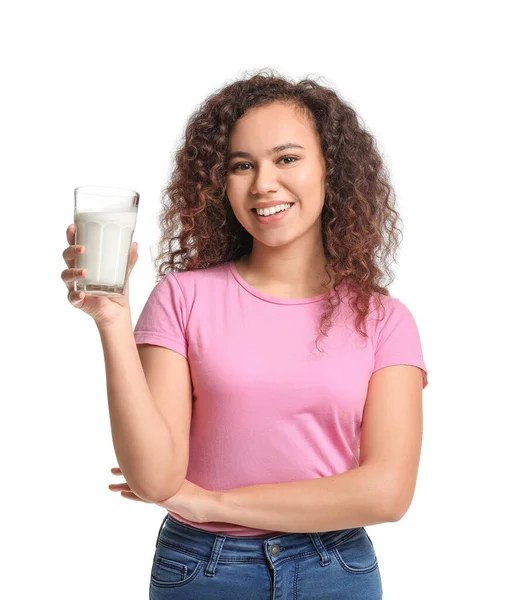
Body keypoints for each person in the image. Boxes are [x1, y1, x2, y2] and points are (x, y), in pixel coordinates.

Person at [61, 69, 428, 599]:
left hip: (335, 569)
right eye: (242, 165)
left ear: (332, 170)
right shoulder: (182, 297)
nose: (263, 184)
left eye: (287, 158)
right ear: (221, 182)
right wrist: (112, 319)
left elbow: (388, 493)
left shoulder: (385, 320)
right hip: (203, 570)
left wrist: (213, 504)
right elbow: (158, 480)